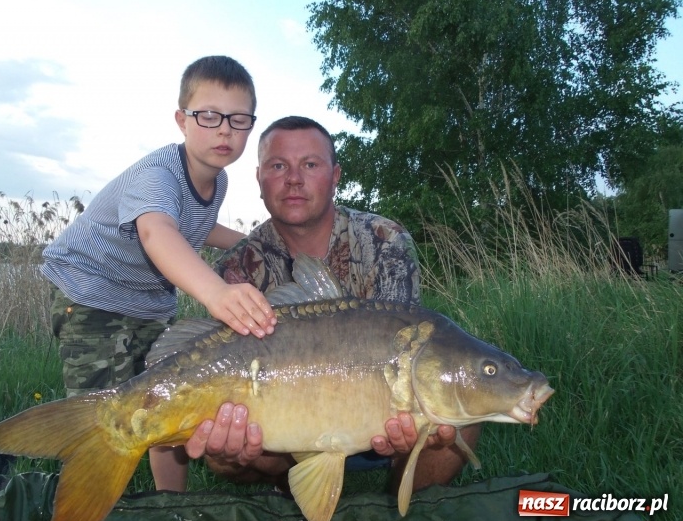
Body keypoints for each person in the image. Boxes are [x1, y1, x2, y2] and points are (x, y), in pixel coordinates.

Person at [184, 115, 481, 494]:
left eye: (310, 164)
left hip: (380, 424)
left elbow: (402, 346)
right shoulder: (237, 267)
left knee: (457, 413)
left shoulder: (385, 240)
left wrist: (405, 419)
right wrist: (231, 441)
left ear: (335, 175)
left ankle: (401, 514)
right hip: (285, 432)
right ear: (259, 179)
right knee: (221, 451)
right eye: (278, 166)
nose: (294, 179)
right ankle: (285, 489)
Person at [40, 55, 277, 492]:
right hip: (91, 294)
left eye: (238, 119)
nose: (224, 129)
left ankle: (173, 507)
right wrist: (217, 294)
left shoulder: (217, 182)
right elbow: (157, 231)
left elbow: (199, 227)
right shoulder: (158, 176)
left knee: (165, 405)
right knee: (104, 422)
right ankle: (89, 499)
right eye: (208, 116)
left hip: (150, 303)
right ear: (181, 120)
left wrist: (253, 240)